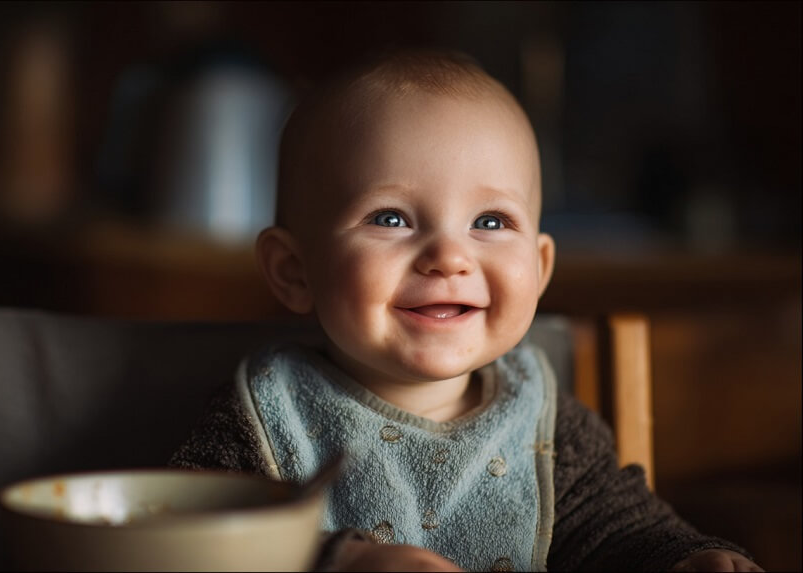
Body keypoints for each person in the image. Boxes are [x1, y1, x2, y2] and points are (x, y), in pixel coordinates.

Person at [170, 48, 761, 572]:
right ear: (293, 271)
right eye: (391, 218)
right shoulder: (265, 415)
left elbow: (619, 533)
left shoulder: (544, 420)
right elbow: (190, 540)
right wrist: (340, 559)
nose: (449, 257)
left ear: (540, 267)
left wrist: (684, 557)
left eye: (490, 222)